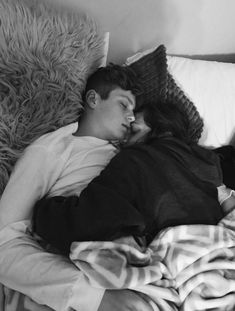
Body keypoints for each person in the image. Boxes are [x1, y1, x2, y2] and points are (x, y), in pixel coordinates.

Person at [0, 64, 154, 311]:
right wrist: (94, 298)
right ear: (93, 99)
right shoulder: (53, 149)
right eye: (123, 105)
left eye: (133, 111)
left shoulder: (131, 155)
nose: (131, 117)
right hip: (76, 275)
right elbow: (4, 242)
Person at [32, 100, 231, 257]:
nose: (125, 141)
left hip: (180, 251)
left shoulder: (136, 158)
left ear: (163, 128)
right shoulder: (210, 159)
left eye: (134, 131)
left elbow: (92, 218)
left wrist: (46, 212)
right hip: (218, 246)